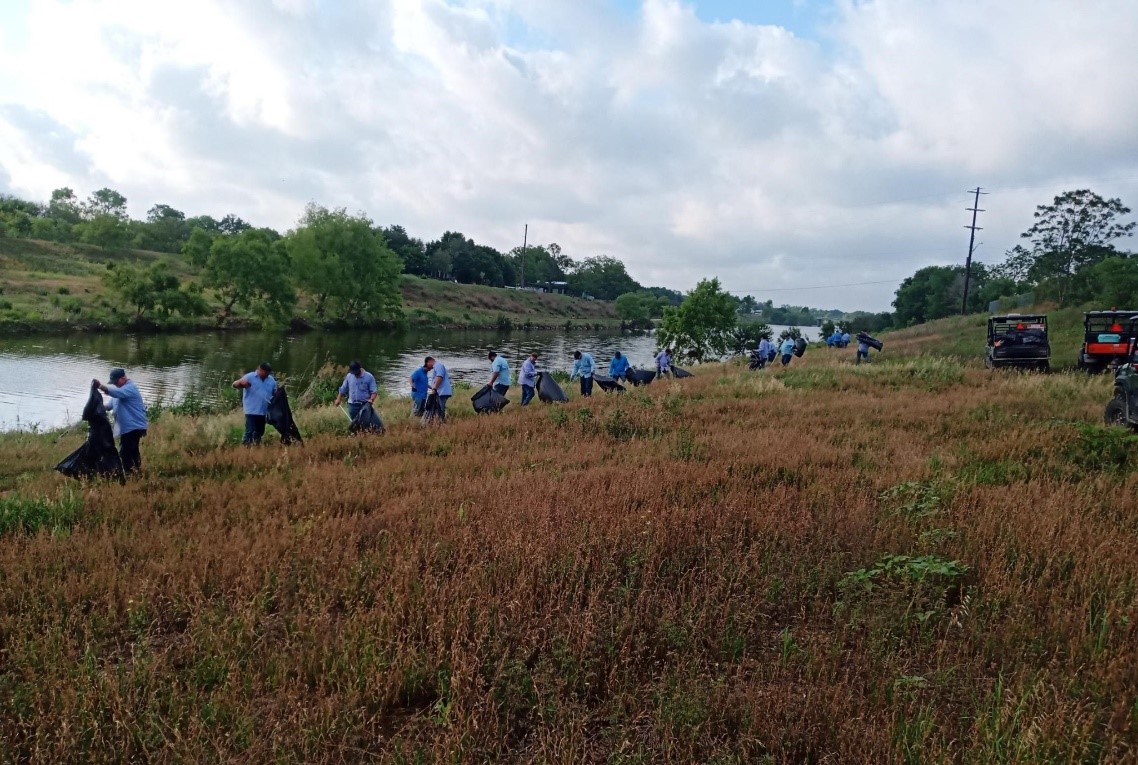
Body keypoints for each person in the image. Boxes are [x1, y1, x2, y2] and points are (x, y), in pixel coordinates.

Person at [92, 368, 147, 474]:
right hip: (127, 427)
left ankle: (130, 473)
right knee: (132, 450)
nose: (115, 385)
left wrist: (99, 386)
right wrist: (97, 407)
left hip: (134, 426)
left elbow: (113, 392)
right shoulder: (120, 391)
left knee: (125, 452)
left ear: (123, 378)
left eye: (116, 382)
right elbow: (109, 405)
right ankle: (135, 471)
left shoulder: (130, 388)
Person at [233, 362, 277, 445]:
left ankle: (256, 448)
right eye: (265, 373)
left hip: (263, 411)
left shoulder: (271, 380)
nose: (267, 375)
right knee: (250, 430)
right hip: (251, 410)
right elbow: (234, 384)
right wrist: (241, 383)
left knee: (260, 432)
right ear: (260, 370)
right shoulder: (250, 376)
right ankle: (245, 448)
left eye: (268, 373)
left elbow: (275, 393)